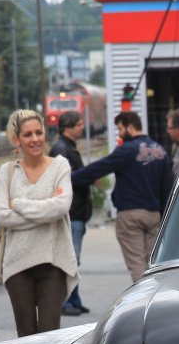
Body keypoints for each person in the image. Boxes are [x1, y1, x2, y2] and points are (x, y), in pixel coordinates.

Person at [0, 109, 79, 336]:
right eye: (27, 135)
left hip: (53, 262)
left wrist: (18, 204)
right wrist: (45, 210)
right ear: (17, 140)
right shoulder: (7, 172)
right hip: (17, 264)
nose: (35, 139)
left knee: (49, 336)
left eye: (39, 132)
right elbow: (2, 216)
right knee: (25, 336)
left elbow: (61, 207)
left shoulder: (60, 166)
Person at [71, 109, 172, 282]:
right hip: (154, 215)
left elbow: (98, 168)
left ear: (130, 127)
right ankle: (156, 293)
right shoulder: (160, 151)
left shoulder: (127, 149)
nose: (119, 133)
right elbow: (167, 188)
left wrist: (70, 178)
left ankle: (143, 297)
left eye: (120, 129)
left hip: (130, 215)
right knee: (152, 264)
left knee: (137, 264)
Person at [48, 110, 91, 315]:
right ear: (68, 127)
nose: (82, 127)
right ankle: (66, 302)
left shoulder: (66, 148)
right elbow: (67, 180)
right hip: (71, 214)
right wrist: (90, 174)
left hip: (75, 213)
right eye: (79, 124)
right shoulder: (62, 150)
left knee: (72, 259)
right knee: (69, 259)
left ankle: (75, 299)